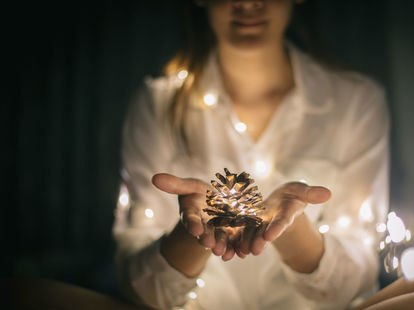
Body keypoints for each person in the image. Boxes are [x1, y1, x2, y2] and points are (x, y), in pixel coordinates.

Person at [113, 0, 390, 309]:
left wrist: (292, 230)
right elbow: (139, 288)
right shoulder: (157, 106)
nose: (247, 4)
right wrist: (190, 234)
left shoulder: (355, 104)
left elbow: (355, 280)